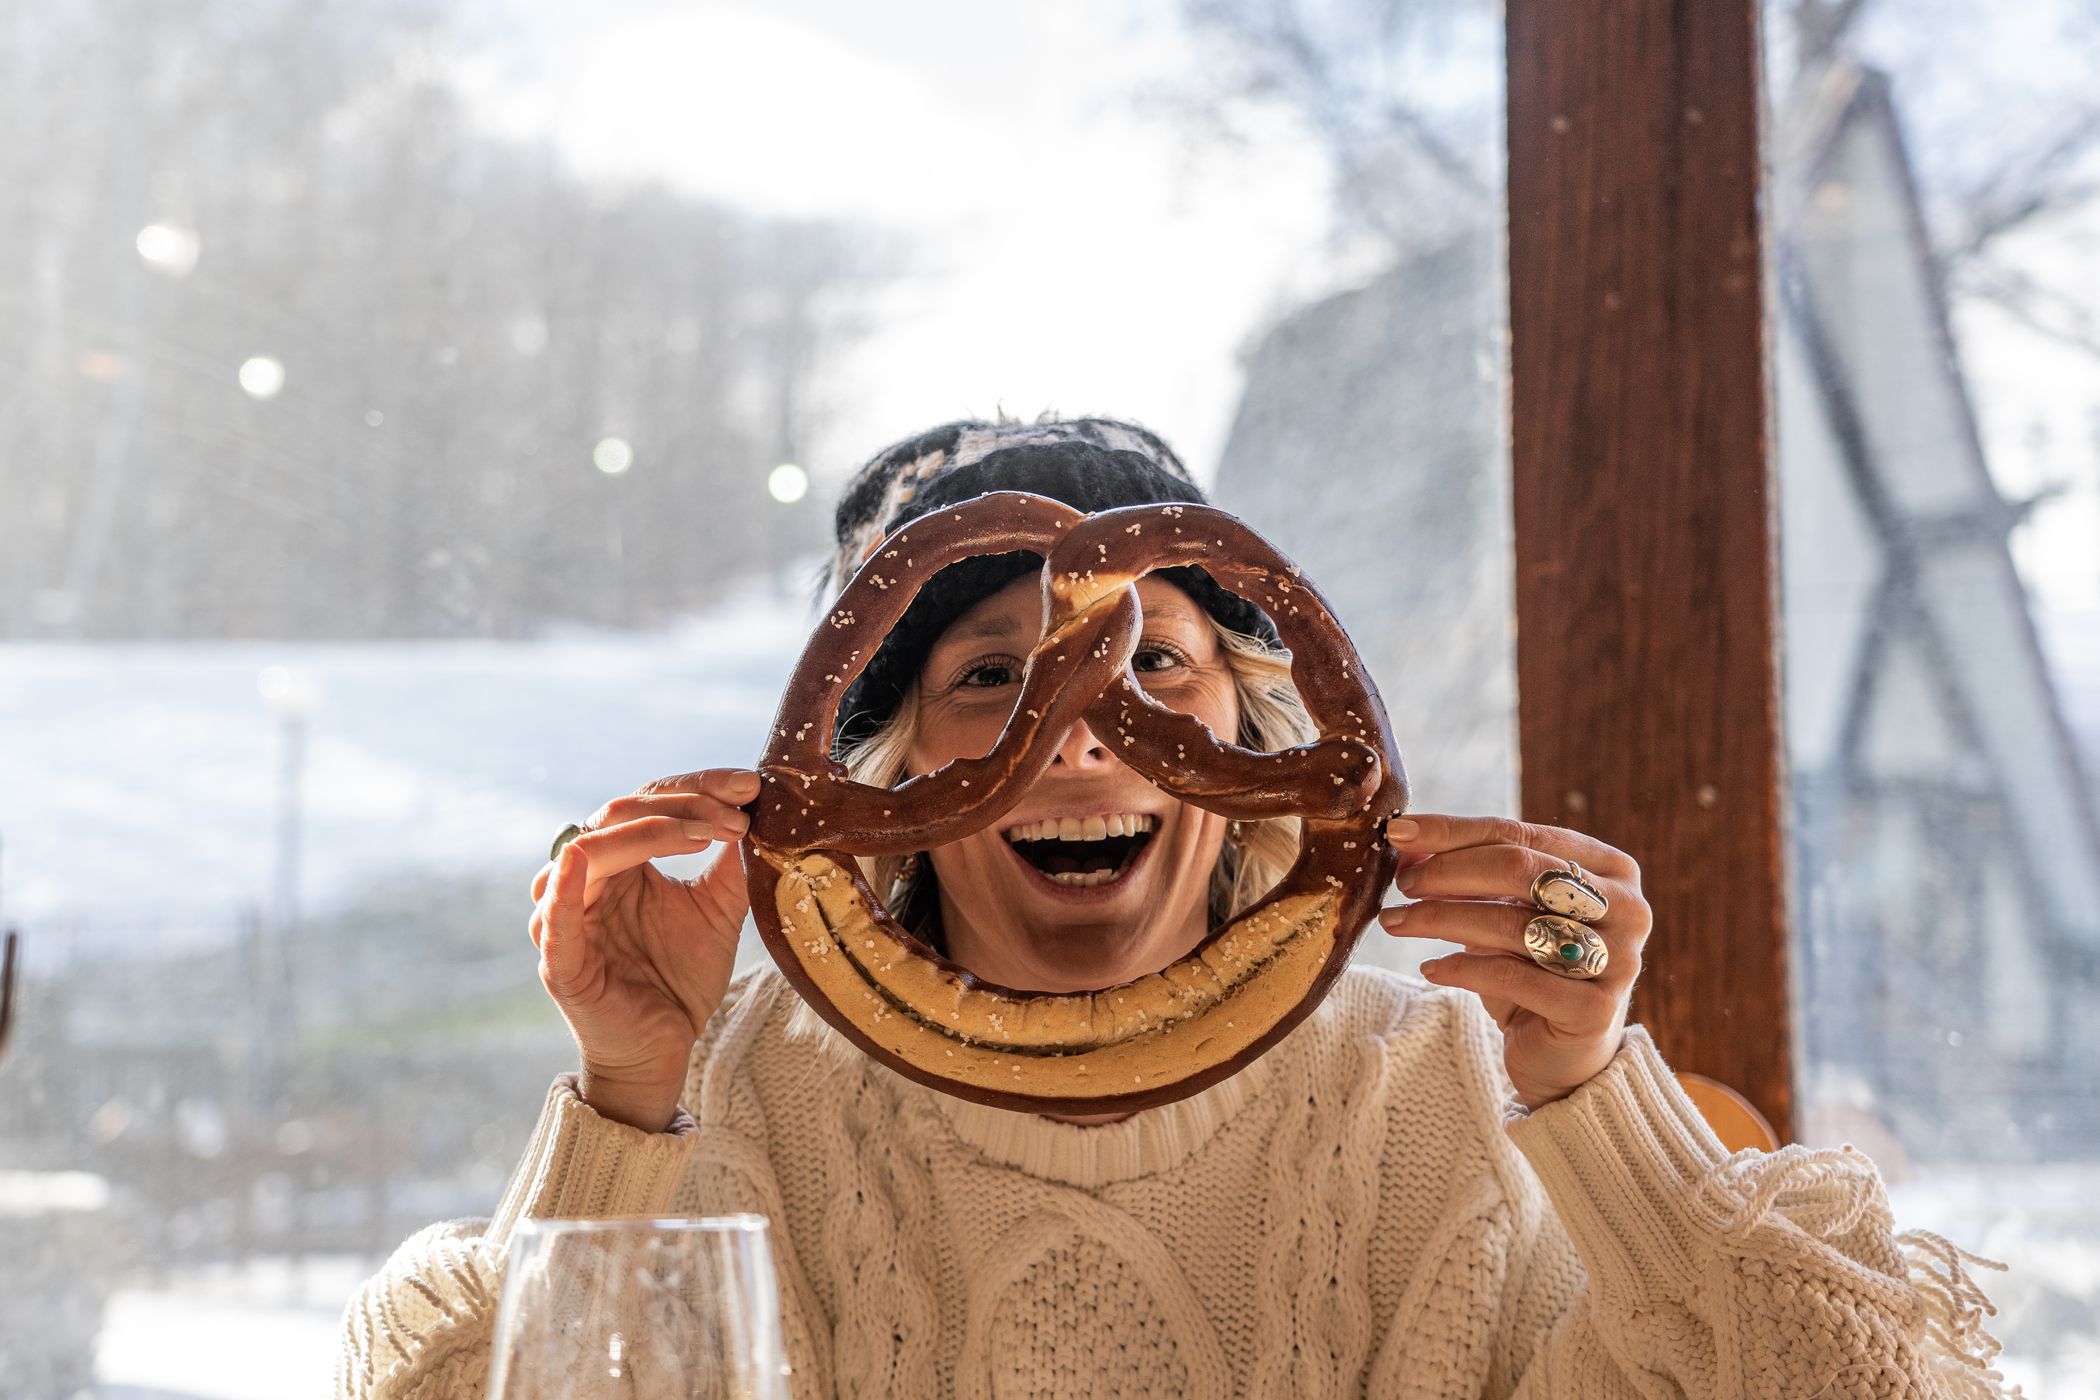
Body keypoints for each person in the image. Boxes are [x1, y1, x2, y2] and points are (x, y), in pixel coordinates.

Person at [337, 416, 2011, 1399]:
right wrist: (627, 1099)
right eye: (993, 677)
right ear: (880, 763)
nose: (1076, 731)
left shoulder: (1448, 1093)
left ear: (1253, 725)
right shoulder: (728, 1110)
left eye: (1155, 665)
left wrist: (1590, 1093)